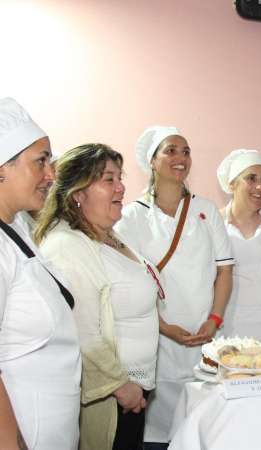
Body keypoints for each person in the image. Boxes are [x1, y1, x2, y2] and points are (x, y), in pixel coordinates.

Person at [114, 126, 234, 448]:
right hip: (157, 341)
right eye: (170, 150)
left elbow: (224, 271)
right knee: (159, 432)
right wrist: (166, 328)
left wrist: (215, 319)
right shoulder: (131, 218)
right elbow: (126, 284)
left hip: (207, 335)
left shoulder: (206, 210)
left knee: (206, 429)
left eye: (186, 151)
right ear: (152, 161)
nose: (180, 158)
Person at [35, 144, 160, 450]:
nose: (121, 186)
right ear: (78, 193)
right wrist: (121, 386)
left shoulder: (107, 235)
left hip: (133, 390)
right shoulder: (67, 246)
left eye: (120, 177)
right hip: (112, 396)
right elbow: (82, 331)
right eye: (108, 179)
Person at [0, 97, 81, 450]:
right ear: (2, 166)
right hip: (25, 434)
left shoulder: (17, 225)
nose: (52, 174)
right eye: (40, 161)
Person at [216, 149, 261, 346]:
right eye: (251, 178)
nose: (260, 186)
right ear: (232, 184)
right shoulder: (215, 223)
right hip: (231, 327)